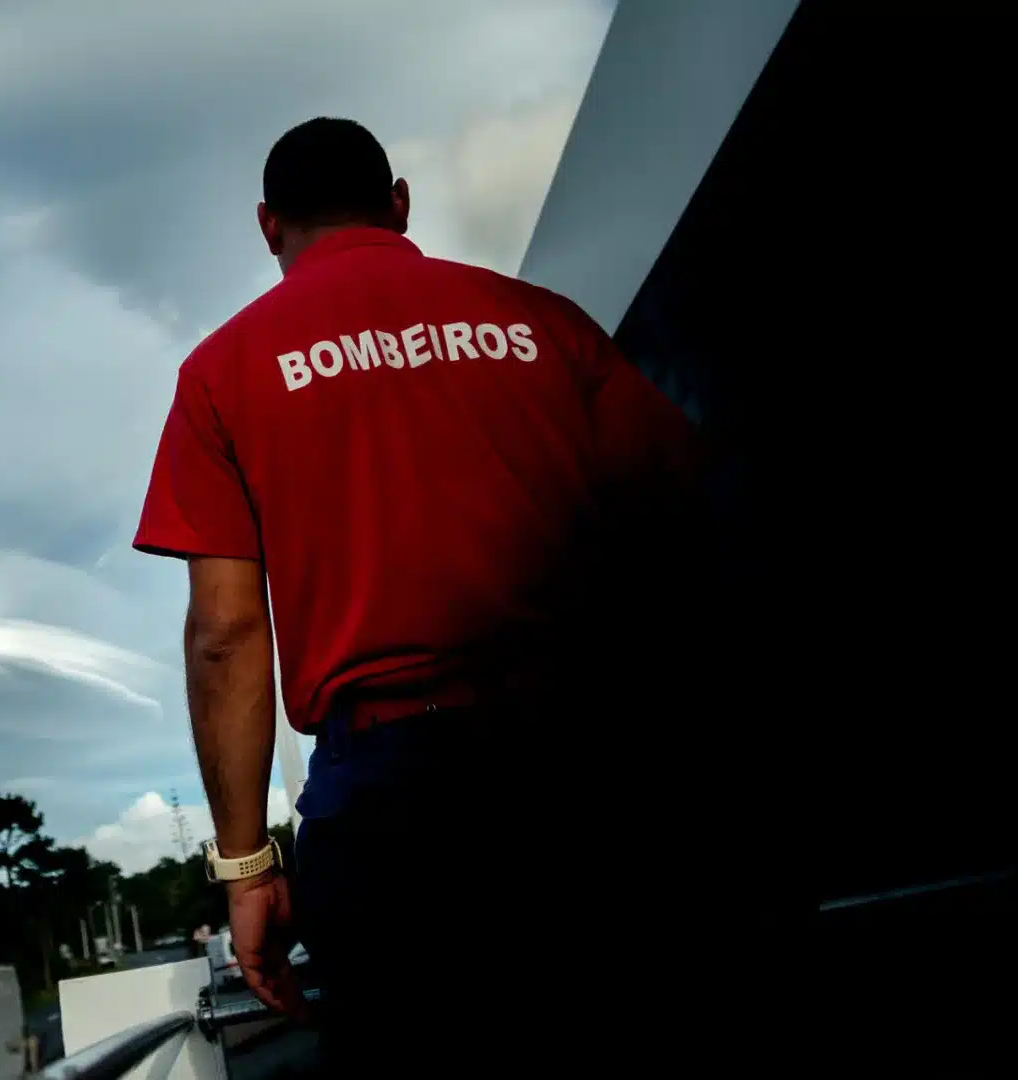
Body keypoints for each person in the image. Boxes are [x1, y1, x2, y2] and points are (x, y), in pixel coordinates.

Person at [132, 118, 706, 1071]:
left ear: (268, 227)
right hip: (590, 770)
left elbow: (227, 635)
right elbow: (683, 531)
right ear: (399, 203)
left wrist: (247, 868)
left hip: (387, 806)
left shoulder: (222, 373)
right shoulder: (543, 322)